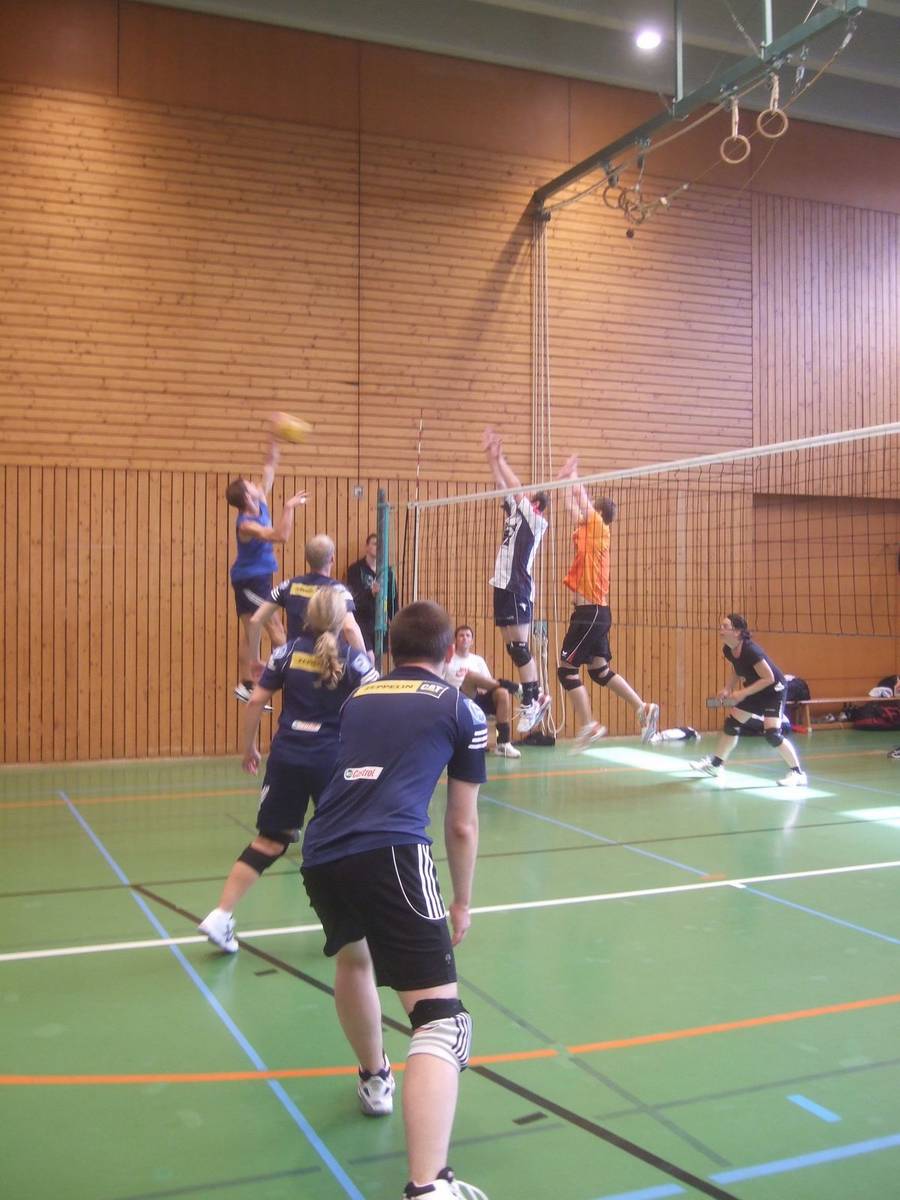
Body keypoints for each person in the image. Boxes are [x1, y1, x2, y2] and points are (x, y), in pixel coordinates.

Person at [300, 601, 488, 1200]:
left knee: (354, 959)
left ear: (394, 648)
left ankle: (374, 1078)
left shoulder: (360, 696)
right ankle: (429, 1185)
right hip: (391, 851)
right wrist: (462, 901)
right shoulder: (461, 709)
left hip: (322, 849)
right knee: (442, 1022)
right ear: (449, 652)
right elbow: (462, 824)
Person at [199, 587, 378, 953]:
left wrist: (249, 747)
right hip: (332, 760)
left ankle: (221, 914)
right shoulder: (355, 661)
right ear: (342, 620)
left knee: (270, 839)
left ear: (306, 616)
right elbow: (378, 707)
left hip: (288, 756)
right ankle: (361, 923)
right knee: (351, 839)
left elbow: (256, 701)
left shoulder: (284, 653)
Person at [556, 457, 659, 750]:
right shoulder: (587, 532)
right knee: (599, 672)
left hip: (589, 614)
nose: (584, 513)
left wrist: (573, 476)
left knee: (566, 670)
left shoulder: (599, 527)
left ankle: (588, 725)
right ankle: (643, 707)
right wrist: (563, 482)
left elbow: (581, 499)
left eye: (590, 511)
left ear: (599, 514)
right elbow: (571, 505)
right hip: (595, 613)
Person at [226, 438, 307, 703]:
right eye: (250, 485)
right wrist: (288, 507)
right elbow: (280, 536)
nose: (255, 484)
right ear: (246, 497)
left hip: (256, 578)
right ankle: (291, 679)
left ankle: (247, 684)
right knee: (275, 628)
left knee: (252, 630)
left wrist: (275, 438)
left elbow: (269, 467)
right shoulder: (246, 525)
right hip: (250, 580)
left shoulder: (259, 499)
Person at [483, 426, 550, 735]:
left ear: (536, 506)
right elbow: (503, 486)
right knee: (513, 648)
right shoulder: (514, 513)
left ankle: (533, 700)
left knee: (521, 648)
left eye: (530, 500)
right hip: (501, 584)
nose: (524, 501)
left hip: (518, 586)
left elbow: (516, 485)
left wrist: (502, 459)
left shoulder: (536, 521)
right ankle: (535, 695)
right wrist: (491, 457)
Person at [690, 614, 808, 786]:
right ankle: (716, 766)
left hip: (774, 690)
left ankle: (798, 773)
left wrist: (743, 692)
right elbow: (737, 669)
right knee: (731, 725)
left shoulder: (751, 651)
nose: (720, 629)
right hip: (755, 689)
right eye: (721, 626)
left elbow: (769, 678)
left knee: (772, 734)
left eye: (725, 626)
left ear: (737, 632)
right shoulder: (728, 649)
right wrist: (728, 688)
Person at [247, 533, 365, 672]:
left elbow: (255, 621)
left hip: (296, 667)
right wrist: (367, 666)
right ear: (332, 558)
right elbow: (350, 629)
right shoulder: (338, 591)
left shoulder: (288, 586)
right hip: (329, 666)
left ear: (307, 559)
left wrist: (254, 659)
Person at [444, 624, 521, 758]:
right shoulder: (448, 660)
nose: (464, 638)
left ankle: (503, 744)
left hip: (477, 698)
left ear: (472, 641)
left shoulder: (478, 660)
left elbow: (489, 683)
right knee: (470, 676)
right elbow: (439, 681)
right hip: (457, 699)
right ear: (455, 640)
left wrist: (480, 687)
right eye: (461, 635)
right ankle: (514, 687)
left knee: (502, 692)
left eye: (468, 636)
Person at [345, 532, 399, 661]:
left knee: (378, 658)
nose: (378, 547)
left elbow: (393, 599)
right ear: (367, 547)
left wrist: (395, 622)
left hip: (380, 622)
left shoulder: (387, 572)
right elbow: (353, 598)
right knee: (369, 658)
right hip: (361, 621)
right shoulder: (355, 569)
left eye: (380, 545)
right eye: (375, 544)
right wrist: (370, 593)